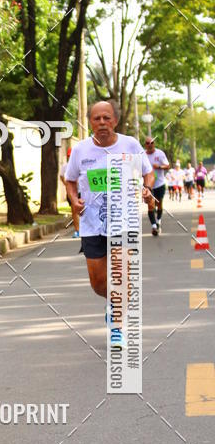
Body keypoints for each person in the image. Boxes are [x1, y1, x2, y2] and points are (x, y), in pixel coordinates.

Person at [65, 99, 154, 348]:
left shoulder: (130, 145)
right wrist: (74, 200)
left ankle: (117, 327)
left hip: (124, 222)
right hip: (92, 224)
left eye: (107, 118)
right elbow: (70, 180)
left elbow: (148, 171)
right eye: (97, 118)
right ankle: (113, 303)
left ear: (114, 120)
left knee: (120, 276)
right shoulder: (81, 150)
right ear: (90, 122)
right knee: (98, 283)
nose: (102, 122)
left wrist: (147, 189)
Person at [144, 136, 169, 235]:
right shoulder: (142, 155)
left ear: (154, 143)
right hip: (148, 185)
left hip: (159, 184)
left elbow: (167, 166)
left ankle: (158, 220)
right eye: (147, 143)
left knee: (159, 204)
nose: (150, 145)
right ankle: (154, 226)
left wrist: (158, 166)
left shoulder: (160, 153)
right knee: (150, 206)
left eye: (152, 143)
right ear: (145, 145)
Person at [59, 147, 79, 237]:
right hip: (71, 193)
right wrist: (67, 185)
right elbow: (61, 176)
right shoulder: (65, 167)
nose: (70, 157)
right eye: (69, 156)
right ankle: (78, 230)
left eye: (72, 156)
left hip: (82, 191)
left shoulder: (80, 164)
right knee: (74, 211)